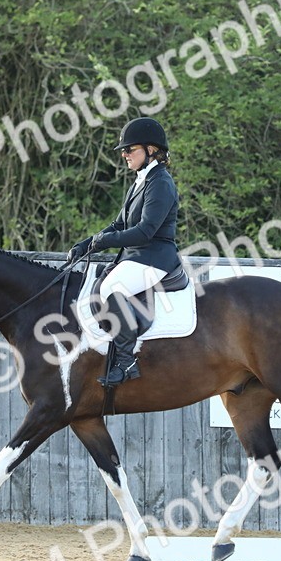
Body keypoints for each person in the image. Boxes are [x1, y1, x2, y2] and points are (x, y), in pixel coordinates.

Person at [67, 117, 181, 387]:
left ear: (151, 150)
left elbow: (144, 232)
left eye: (130, 149)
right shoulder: (141, 182)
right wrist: (87, 242)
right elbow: (120, 224)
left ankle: (126, 360)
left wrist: (104, 241)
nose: (124, 154)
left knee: (109, 289)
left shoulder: (161, 183)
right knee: (97, 285)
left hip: (155, 257)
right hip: (137, 257)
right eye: (123, 150)